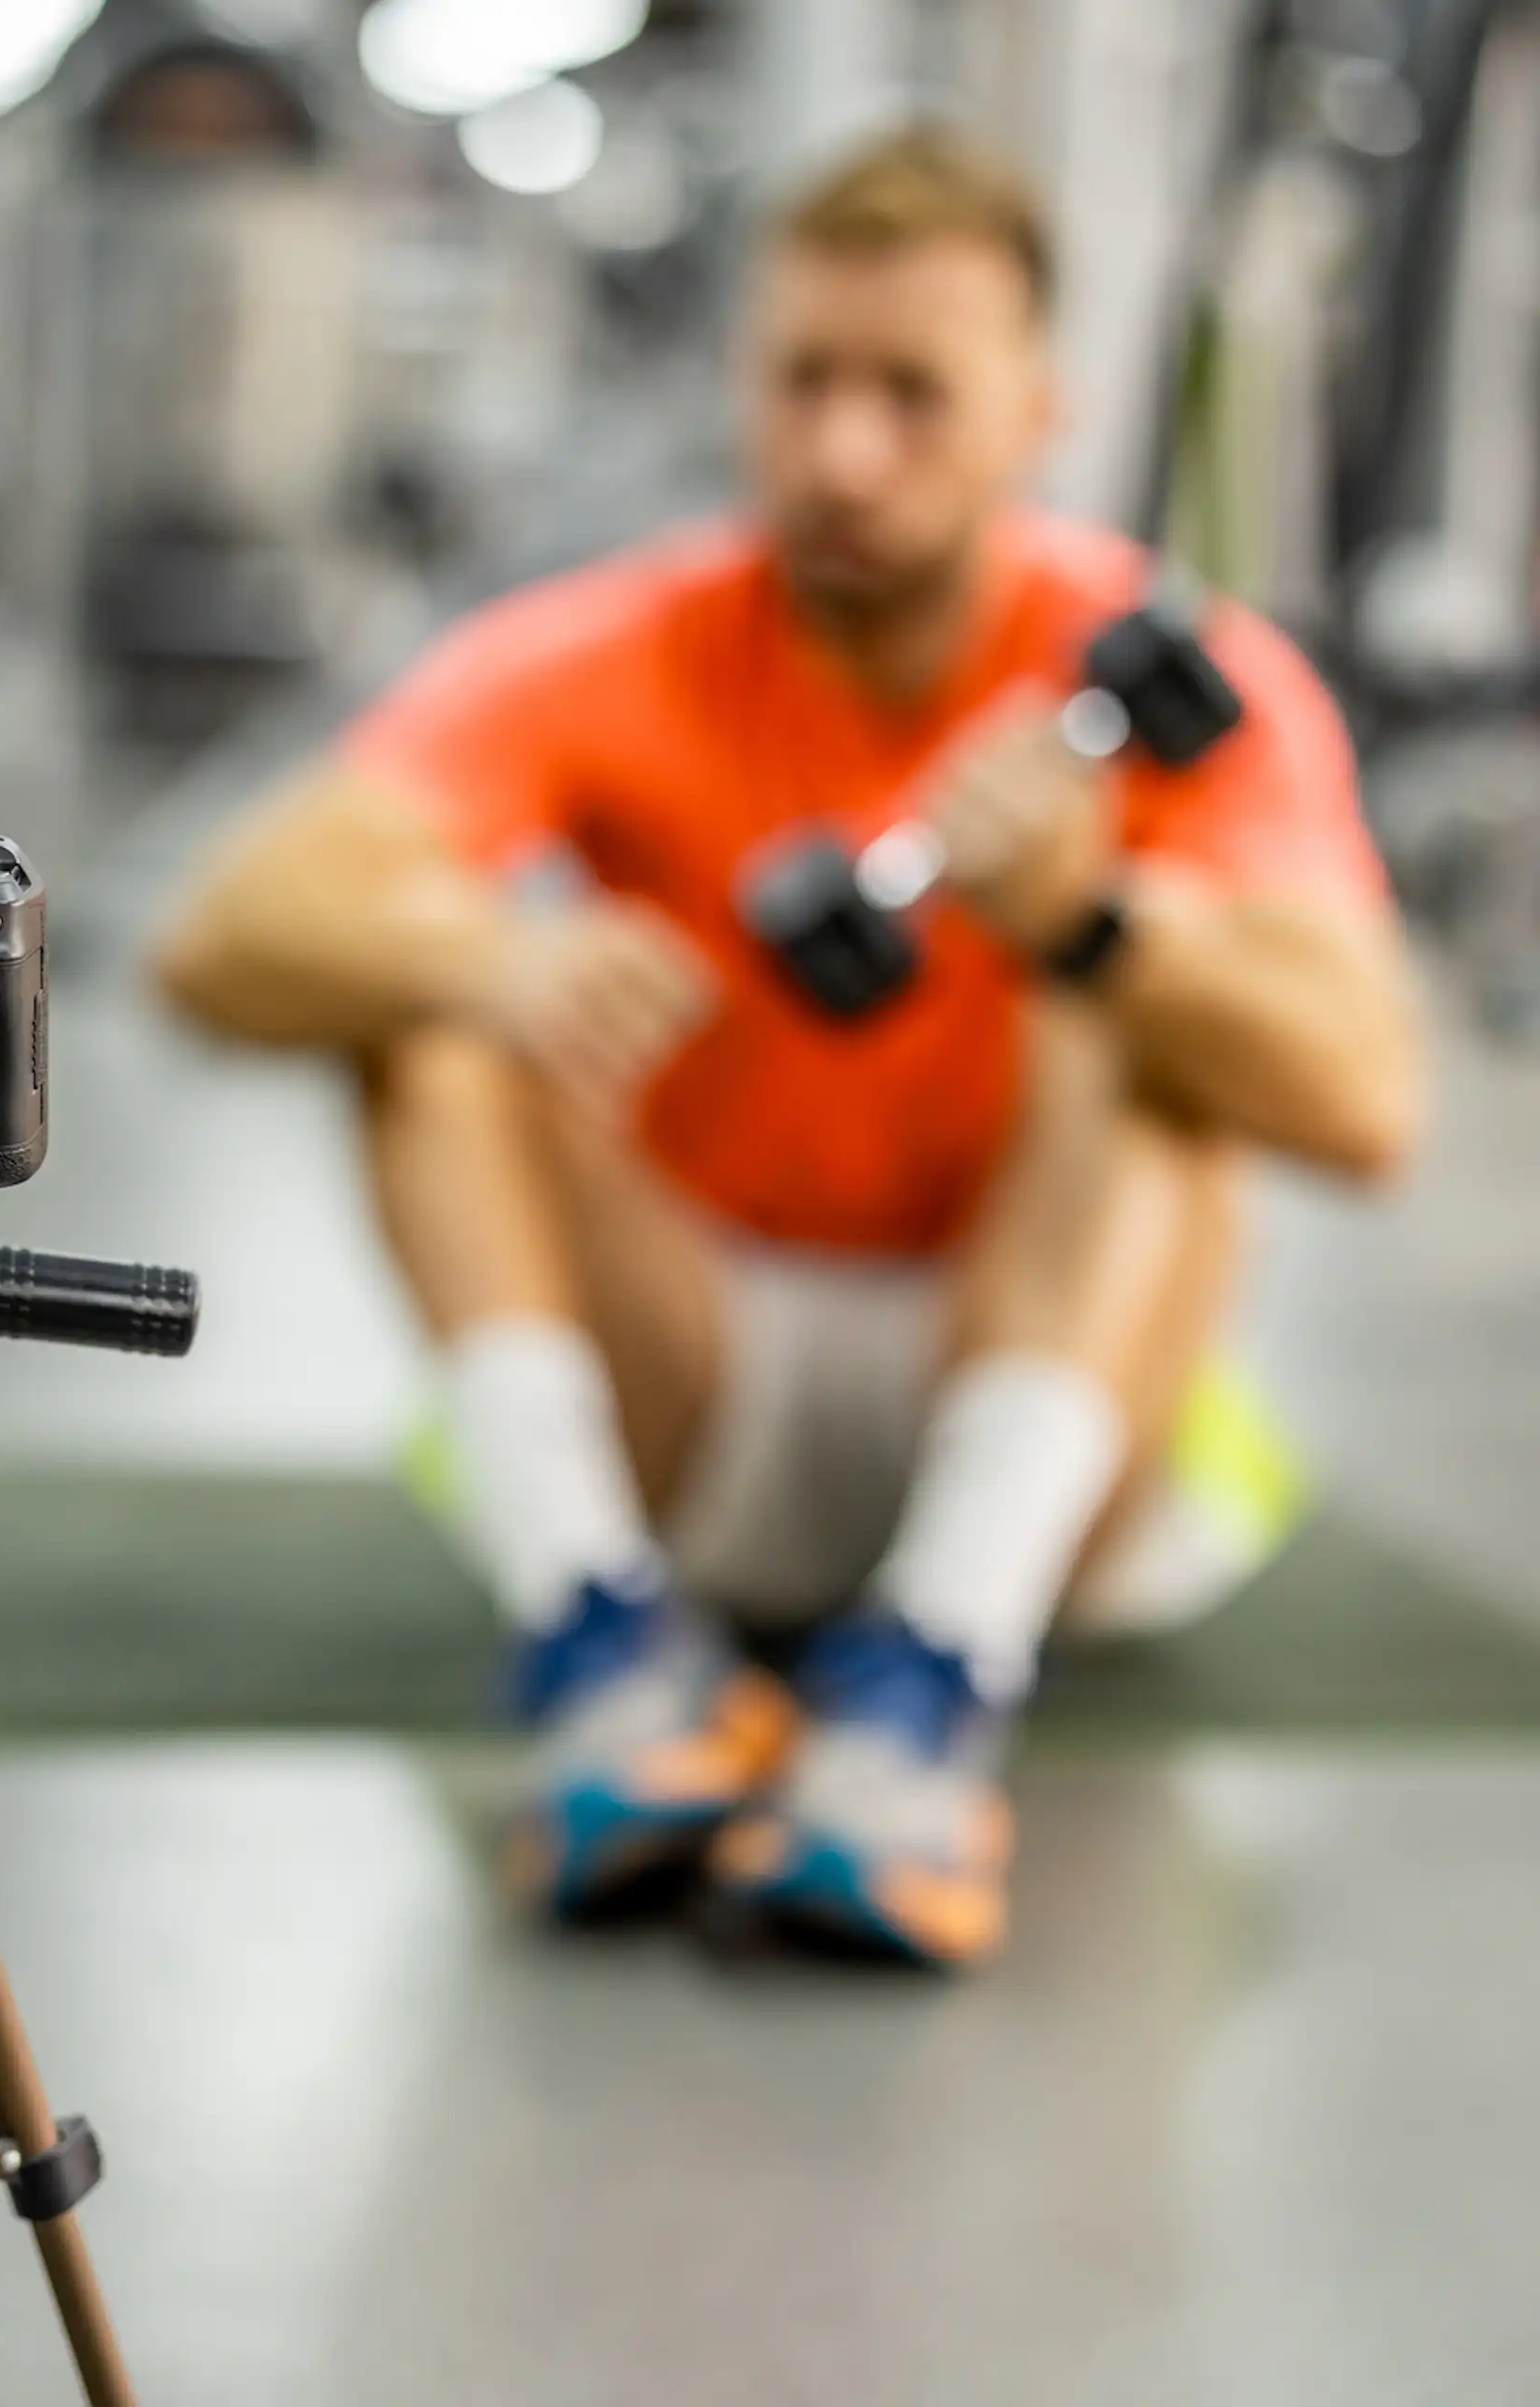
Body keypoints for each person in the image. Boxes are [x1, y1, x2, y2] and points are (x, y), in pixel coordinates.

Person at [150, 125, 1422, 1968]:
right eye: (803, 381)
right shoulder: (618, 645)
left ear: (1032, 414)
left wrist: (1085, 917)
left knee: (1144, 1002)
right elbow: (216, 942)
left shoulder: (1167, 673)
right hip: (702, 1396)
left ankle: (926, 1683)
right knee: (426, 1007)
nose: (839, 449)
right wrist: (484, 960)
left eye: (910, 394)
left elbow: (1367, 1104)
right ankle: (602, 1644)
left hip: (1048, 1410)